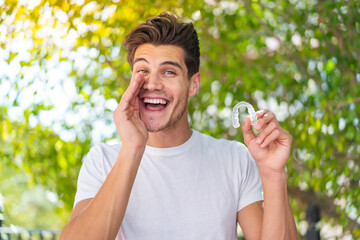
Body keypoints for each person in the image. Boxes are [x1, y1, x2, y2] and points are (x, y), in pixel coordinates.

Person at [61, 11, 299, 240]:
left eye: (169, 71)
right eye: (143, 70)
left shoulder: (234, 159)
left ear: (194, 84)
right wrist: (132, 149)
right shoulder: (103, 161)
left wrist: (273, 174)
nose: (152, 83)